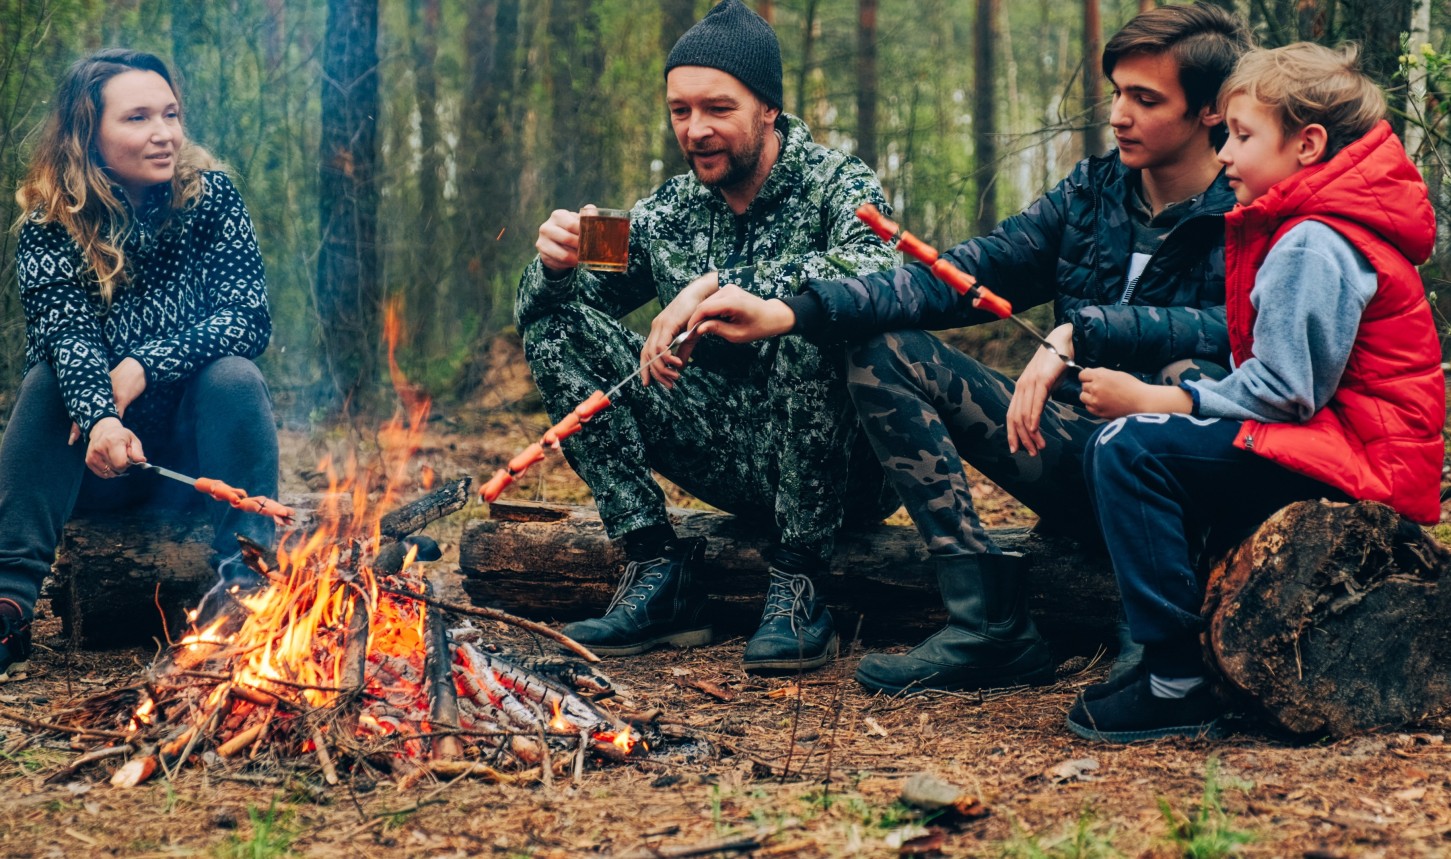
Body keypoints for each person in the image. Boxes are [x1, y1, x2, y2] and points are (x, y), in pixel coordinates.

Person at [687, 2, 1253, 693]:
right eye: (1115, 94)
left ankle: (1156, 628)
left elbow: (1239, 336)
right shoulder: (1090, 195)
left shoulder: (1249, 211)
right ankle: (987, 622)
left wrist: (1088, 329)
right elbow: (956, 278)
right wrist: (792, 311)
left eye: (1145, 98)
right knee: (881, 343)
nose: (1118, 115)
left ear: (1208, 114)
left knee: (1186, 367)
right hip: (1074, 457)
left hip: (1187, 480)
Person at [1066, 43, 1442, 742]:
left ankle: (1174, 677)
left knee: (1128, 445)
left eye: (1241, 136)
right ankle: (1173, 651)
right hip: (1349, 447)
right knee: (1159, 433)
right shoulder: (1317, 223)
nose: (1225, 153)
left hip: (1362, 466)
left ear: (1306, 144)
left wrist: (1153, 401)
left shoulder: (1313, 242)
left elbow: (1284, 392)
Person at [517, 0, 899, 673]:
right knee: (556, 323)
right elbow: (565, 310)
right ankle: (656, 568)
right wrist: (550, 268)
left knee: (809, 316)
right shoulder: (664, 212)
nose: (695, 130)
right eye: (680, 111)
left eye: (717, 108)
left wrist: (728, 281)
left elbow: (878, 268)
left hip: (850, 472)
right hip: (727, 451)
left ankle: (799, 584)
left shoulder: (838, 182)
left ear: (768, 109)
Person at [0, 49, 277, 680]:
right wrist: (101, 417)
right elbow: (64, 336)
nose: (165, 133)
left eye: (172, 114)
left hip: (191, 465)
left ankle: (250, 585)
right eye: (138, 118)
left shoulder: (213, 201)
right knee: (48, 380)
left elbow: (248, 317)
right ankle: (11, 599)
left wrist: (141, 365)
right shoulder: (50, 223)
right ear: (87, 136)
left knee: (234, 375)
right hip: (92, 462)